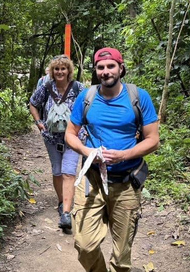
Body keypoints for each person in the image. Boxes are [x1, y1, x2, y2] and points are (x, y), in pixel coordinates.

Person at [65, 47, 160, 272]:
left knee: (121, 255)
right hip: (93, 180)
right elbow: (70, 133)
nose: (106, 71)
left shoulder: (138, 97)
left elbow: (153, 140)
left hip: (126, 182)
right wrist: (86, 152)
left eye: (111, 66)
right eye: (101, 67)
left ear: (121, 68)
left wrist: (124, 155)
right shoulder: (86, 97)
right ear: (96, 71)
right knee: (85, 246)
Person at [29, 54, 84, 231]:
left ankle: (66, 213)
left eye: (63, 68)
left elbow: (89, 106)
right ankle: (61, 202)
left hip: (73, 137)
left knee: (69, 171)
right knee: (57, 170)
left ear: (69, 70)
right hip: (52, 137)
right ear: (52, 72)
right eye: (57, 69)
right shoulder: (46, 87)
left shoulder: (78, 88)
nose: (60, 72)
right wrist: (39, 123)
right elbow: (33, 104)